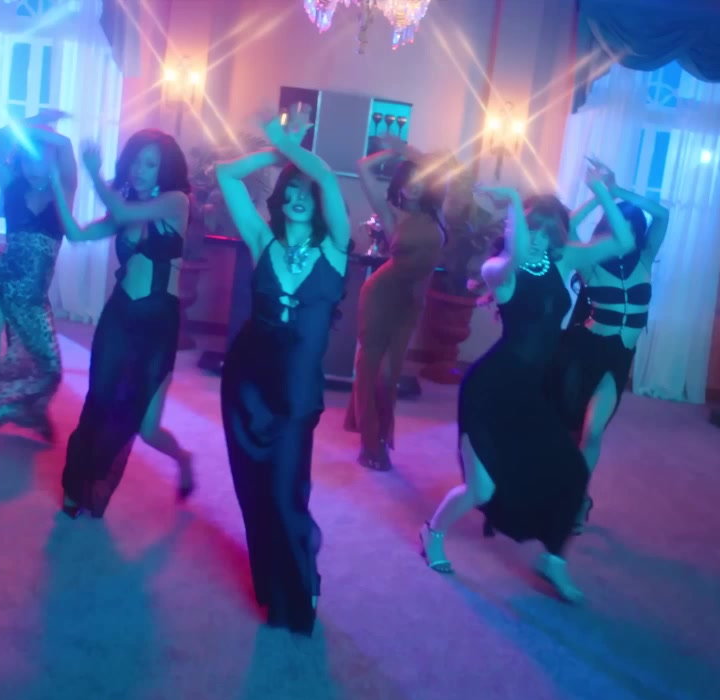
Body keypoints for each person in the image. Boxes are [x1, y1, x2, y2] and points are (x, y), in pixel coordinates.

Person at [418, 165, 635, 602]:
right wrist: (517, 202)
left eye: (545, 229)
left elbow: (624, 242)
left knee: (572, 471)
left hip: (533, 393)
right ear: (516, 226)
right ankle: (432, 532)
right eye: (531, 227)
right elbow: (517, 253)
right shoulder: (499, 269)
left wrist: (601, 190)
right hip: (491, 392)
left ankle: (553, 559)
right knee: (481, 489)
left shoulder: (563, 260)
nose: (537, 236)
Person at [215, 111, 351, 635]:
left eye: (305, 191)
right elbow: (227, 175)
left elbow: (328, 179)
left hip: (295, 396)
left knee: (286, 490)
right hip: (248, 384)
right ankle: (275, 584)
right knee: (256, 490)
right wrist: (276, 154)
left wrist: (290, 148)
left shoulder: (335, 250)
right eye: (290, 188)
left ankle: (301, 584)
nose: (298, 196)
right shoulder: (262, 243)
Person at [49, 130, 197, 518]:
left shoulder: (176, 203)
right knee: (97, 401)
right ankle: (75, 486)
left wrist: (94, 173)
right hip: (119, 318)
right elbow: (77, 234)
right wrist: (57, 187)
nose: (140, 170)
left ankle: (183, 459)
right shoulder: (123, 208)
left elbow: (126, 212)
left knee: (145, 427)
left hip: (158, 325)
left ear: (165, 170)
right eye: (135, 162)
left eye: (151, 164)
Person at [556, 158, 669, 533]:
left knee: (593, 432)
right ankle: (566, 493)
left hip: (620, 359)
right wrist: (597, 195)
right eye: (619, 227)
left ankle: (577, 499)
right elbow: (568, 225)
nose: (627, 236)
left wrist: (617, 190)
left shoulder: (646, 260)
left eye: (633, 228)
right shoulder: (589, 264)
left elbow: (663, 215)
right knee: (568, 429)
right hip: (585, 353)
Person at [0, 110, 75, 455]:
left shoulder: (64, 190)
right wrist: (33, 121)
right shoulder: (11, 184)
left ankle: (28, 410)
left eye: (39, 158)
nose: (31, 166)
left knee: (49, 368)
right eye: (26, 158)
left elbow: (66, 146)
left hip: (32, 299)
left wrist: (42, 134)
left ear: (52, 159)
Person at [343, 135, 446, 470]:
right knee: (370, 370)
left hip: (410, 304)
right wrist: (394, 153)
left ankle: (380, 436)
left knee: (389, 375)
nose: (412, 186)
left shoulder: (440, 214)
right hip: (381, 295)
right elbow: (362, 167)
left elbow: (440, 171)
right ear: (398, 187)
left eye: (419, 180)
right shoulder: (393, 216)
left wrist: (408, 153)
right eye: (406, 181)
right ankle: (371, 444)